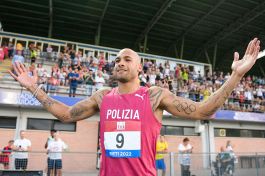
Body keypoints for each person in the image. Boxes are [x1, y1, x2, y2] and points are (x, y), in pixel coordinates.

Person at [9, 38, 261, 175]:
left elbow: (204, 110)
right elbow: (66, 114)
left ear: (140, 67)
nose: (119, 62)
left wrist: (235, 76)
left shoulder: (154, 96)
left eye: (127, 59)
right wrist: (33, 87)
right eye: (117, 59)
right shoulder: (103, 97)